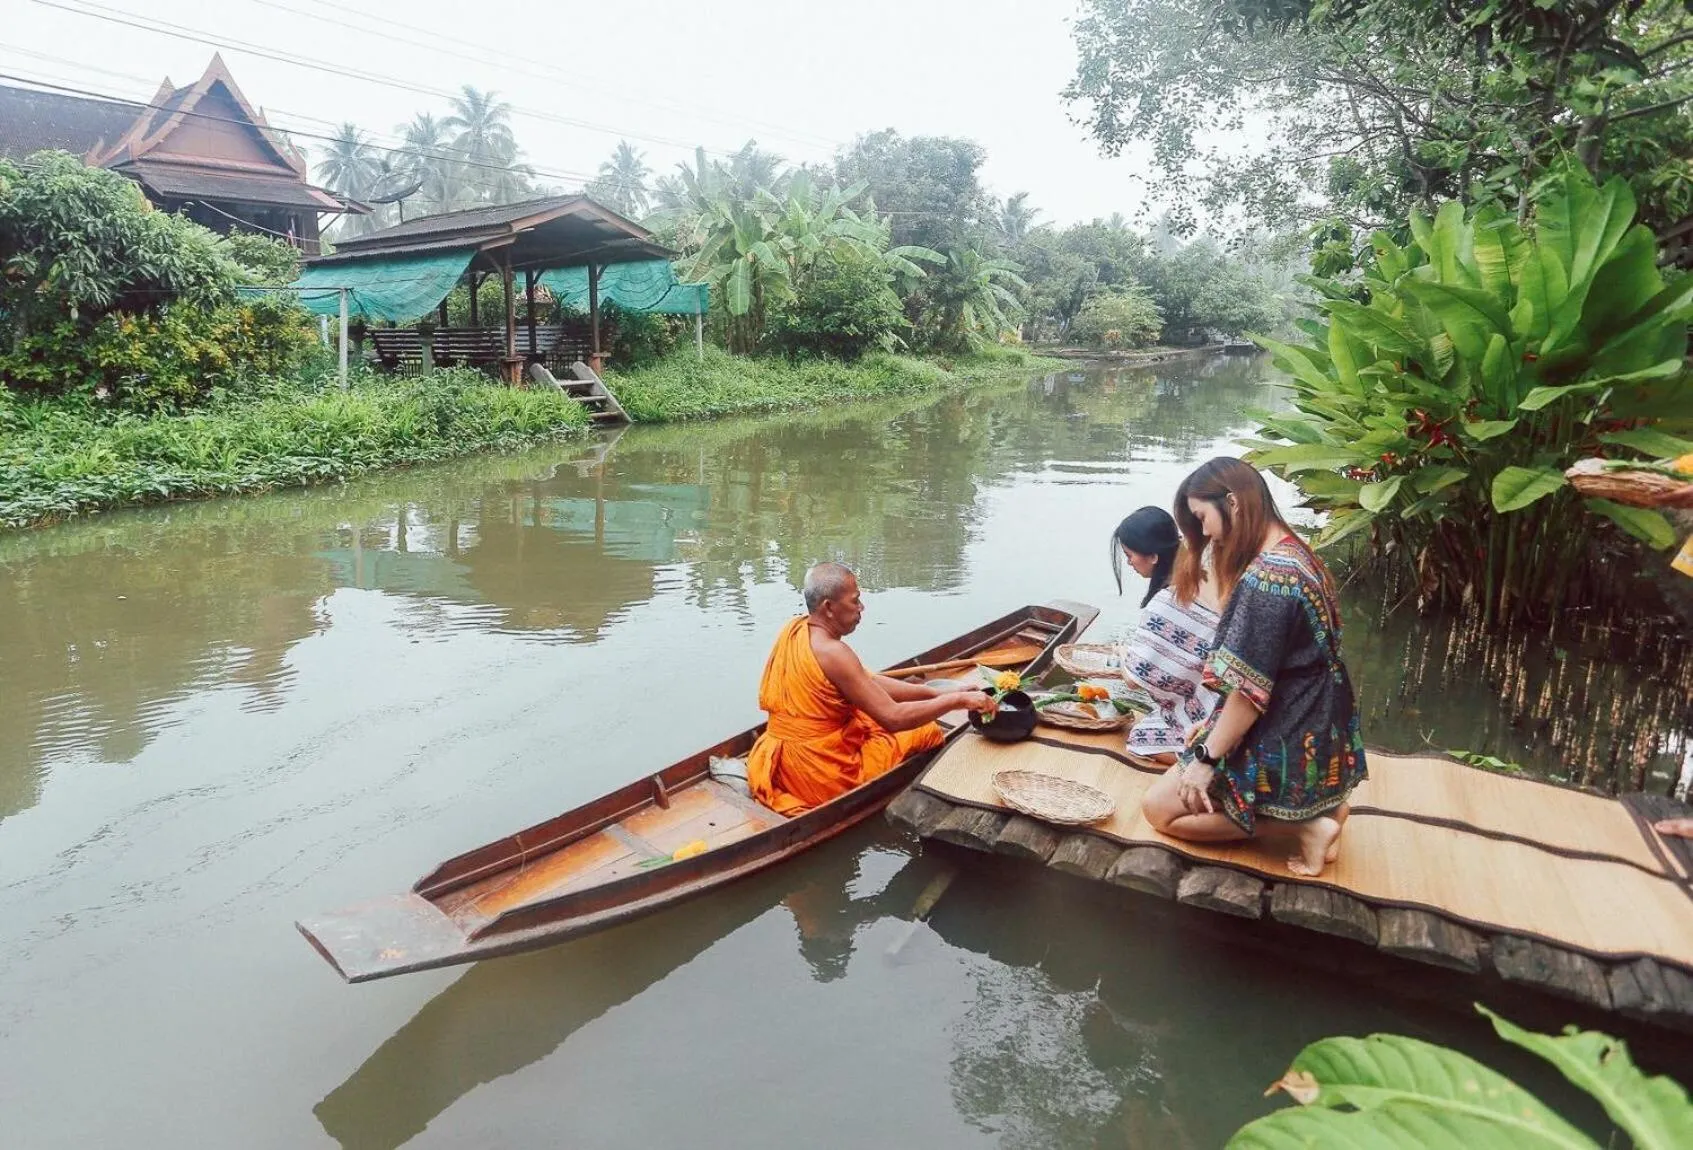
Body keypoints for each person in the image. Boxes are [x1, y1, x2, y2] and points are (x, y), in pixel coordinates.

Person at [1141, 458, 1367, 876]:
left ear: (1232, 502)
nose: (1205, 532)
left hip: (1289, 727)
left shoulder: (1268, 580)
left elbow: (1248, 692)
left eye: (1203, 517)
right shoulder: (1296, 551)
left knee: (1159, 811)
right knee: (1192, 750)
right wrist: (1209, 726)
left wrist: (1207, 759)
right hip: (1320, 718)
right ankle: (1324, 808)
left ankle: (1304, 825)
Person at [746, 562, 996, 816]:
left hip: (776, 758)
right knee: (923, 731)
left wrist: (936, 692)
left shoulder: (795, 629)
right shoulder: (835, 653)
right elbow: (893, 718)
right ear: (828, 608)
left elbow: (867, 681)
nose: (861, 608)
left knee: (866, 716)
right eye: (855, 601)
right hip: (817, 773)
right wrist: (959, 701)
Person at [1110, 507, 1221, 764]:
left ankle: (1201, 764)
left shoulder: (1167, 602)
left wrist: (1124, 655)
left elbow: (1134, 680)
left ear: (1152, 556)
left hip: (1205, 714)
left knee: (1138, 739)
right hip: (1226, 704)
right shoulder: (1202, 577)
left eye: (1129, 555)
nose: (1129, 563)